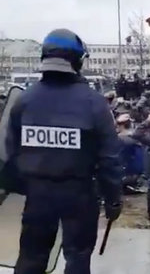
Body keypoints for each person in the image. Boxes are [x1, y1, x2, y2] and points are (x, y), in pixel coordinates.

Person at [4, 29, 122, 274]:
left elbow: (10, 150)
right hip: (79, 195)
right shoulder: (94, 103)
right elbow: (109, 158)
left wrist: (23, 185)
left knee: (31, 256)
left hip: (37, 195)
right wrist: (113, 199)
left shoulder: (24, 100)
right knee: (77, 258)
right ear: (78, 61)